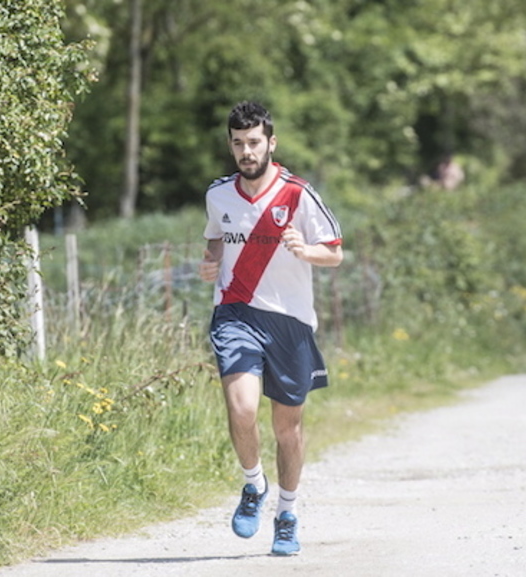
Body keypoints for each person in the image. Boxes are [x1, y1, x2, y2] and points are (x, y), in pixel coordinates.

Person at [198, 100, 344, 556]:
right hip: (236, 313)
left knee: (287, 429)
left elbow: (334, 252)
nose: (246, 151)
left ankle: (286, 513)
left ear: (270, 143)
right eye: (238, 143)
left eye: (254, 142)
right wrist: (212, 260)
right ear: (231, 145)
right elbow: (215, 235)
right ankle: (252, 485)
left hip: (290, 322)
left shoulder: (298, 193)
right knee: (241, 408)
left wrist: (306, 251)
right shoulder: (218, 193)